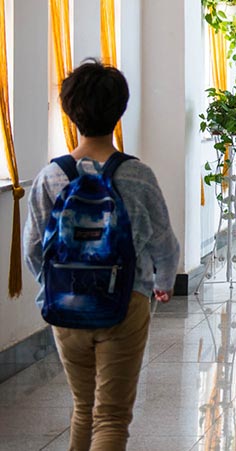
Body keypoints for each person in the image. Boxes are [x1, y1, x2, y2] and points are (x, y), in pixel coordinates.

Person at [23, 59, 180, 450]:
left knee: (82, 408)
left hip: (66, 307)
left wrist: (56, 285)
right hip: (125, 303)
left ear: (69, 109)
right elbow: (164, 242)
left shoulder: (50, 176)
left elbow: (32, 249)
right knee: (110, 417)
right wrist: (162, 284)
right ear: (120, 110)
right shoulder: (137, 174)